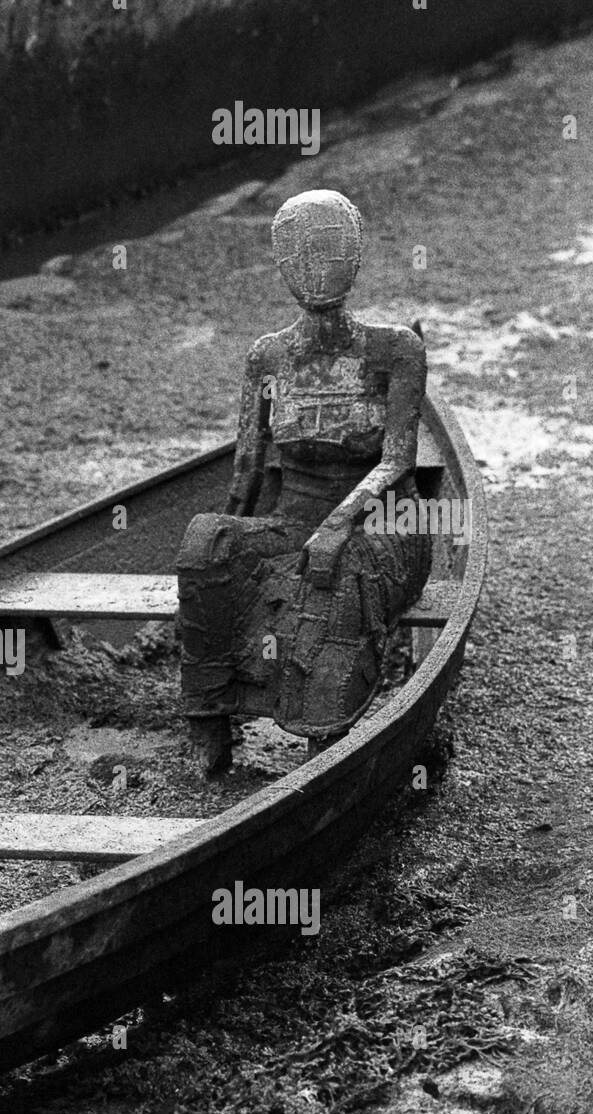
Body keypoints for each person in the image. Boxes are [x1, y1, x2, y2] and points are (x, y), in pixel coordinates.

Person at [176, 189, 432, 774]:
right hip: (295, 516)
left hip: (383, 521)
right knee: (206, 545)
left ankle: (323, 746)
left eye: (335, 251)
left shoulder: (396, 349)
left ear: (357, 256)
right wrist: (224, 548)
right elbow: (246, 474)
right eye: (303, 254)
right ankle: (210, 724)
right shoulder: (267, 357)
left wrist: (340, 525)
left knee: (335, 578)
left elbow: (397, 463)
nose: (321, 268)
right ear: (283, 264)